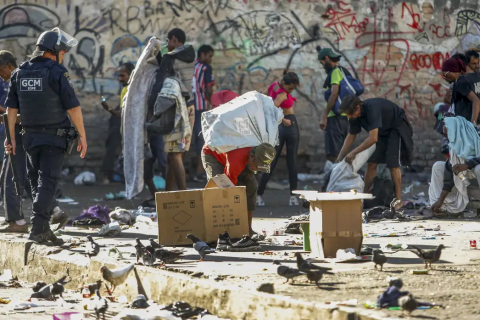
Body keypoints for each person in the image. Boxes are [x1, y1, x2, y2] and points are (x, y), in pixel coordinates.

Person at [5, 28, 87, 244]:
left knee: (36, 182)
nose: (64, 57)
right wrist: (82, 135)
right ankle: (39, 228)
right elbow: (73, 108)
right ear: (56, 51)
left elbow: (11, 110)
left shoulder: (19, 72)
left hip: (30, 138)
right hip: (54, 138)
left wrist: (11, 138)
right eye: (63, 52)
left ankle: (42, 227)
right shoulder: (57, 72)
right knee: (47, 183)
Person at [335, 95, 413, 210]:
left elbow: (373, 138)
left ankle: (398, 199)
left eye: (350, 114)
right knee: (372, 163)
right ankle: (364, 196)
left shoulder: (372, 109)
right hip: (382, 132)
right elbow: (351, 135)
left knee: (393, 163)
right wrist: (340, 156)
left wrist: (354, 153)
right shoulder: (353, 116)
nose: (349, 117)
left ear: (358, 108)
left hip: (396, 128)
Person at [202, 143, 275, 237]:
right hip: (213, 154)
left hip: (236, 156)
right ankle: (221, 232)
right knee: (219, 191)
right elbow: (229, 189)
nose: (258, 169)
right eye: (258, 166)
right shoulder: (236, 161)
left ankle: (248, 229)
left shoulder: (256, 149)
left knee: (251, 186)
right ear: (252, 157)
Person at [257, 72, 300, 207]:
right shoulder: (282, 94)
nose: (291, 91)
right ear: (285, 84)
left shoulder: (274, 87)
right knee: (291, 162)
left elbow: (265, 99)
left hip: (279, 126)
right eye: (290, 88)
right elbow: (271, 108)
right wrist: (284, 120)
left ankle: (259, 195)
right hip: (287, 124)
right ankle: (292, 197)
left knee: (272, 160)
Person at [430, 115, 480, 216]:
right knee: (438, 166)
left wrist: (467, 164)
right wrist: (440, 200)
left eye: (447, 133)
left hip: (475, 171)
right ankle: (442, 207)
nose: (446, 137)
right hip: (464, 177)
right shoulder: (454, 146)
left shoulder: (476, 136)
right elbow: (450, 171)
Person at [101, 62, 141, 184]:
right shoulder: (126, 90)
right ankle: (109, 174)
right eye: (119, 75)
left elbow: (125, 114)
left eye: (122, 75)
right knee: (113, 143)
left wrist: (110, 109)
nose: (120, 79)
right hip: (124, 121)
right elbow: (123, 113)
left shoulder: (136, 90)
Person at [318, 48, 350, 163]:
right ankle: (341, 178)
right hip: (344, 117)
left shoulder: (336, 72)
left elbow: (334, 93)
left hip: (335, 117)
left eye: (322, 63)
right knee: (341, 152)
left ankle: (337, 179)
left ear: (326, 58)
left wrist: (324, 115)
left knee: (334, 155)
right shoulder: (343, 71)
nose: (322, 66)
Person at [192, 45, 215, 182]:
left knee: (190, 141)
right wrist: (209, 103)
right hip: (201, 107)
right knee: (202, 140)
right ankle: (200, 173)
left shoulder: (192, 66)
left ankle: (189, 173)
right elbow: (209, 89)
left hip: (188, 108)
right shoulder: (206, 68)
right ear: (203, 54)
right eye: (210, 56)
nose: (210, 59)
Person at [442, 56, 480, 124]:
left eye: (445, 74)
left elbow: (476, 100)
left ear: (454, 71)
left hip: (466, 124)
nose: (444, 77)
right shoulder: (477, 76)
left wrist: (472, 124)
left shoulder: (460, 82)